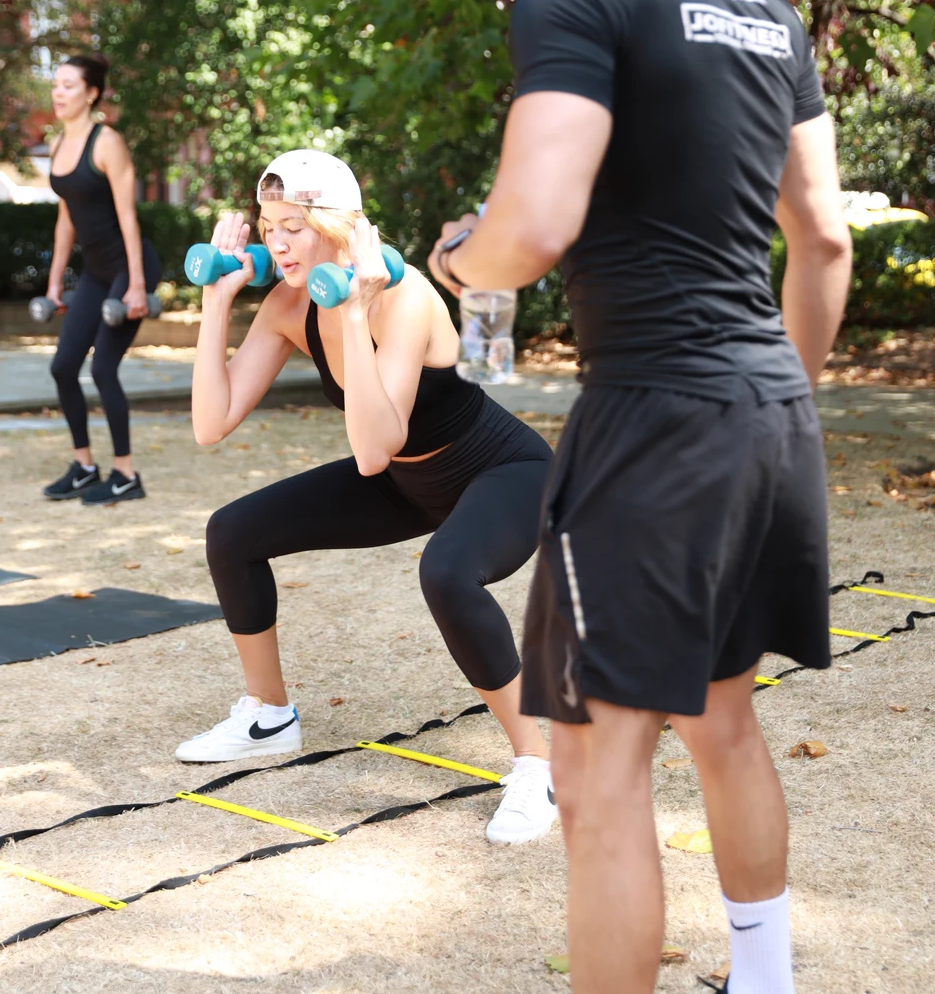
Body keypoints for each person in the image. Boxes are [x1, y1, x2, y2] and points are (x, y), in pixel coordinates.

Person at [424, 0, 852, 994]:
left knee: (596, 771)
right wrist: (775, 397)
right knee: (720, 716)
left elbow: (536, 221)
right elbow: (822, 237)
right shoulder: (761, 0)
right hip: (763, 408)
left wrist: (459, 261)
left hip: (657, 417)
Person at [179, 148, 558, 845]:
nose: (278, 244)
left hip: (503, 472)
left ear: (339, 229)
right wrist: (215, 302)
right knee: (232, 532)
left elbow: (374, 447)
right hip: (405, 482)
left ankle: (537, 764)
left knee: (447, 572)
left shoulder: (406, 297)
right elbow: (210, 424)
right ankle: (268, 715)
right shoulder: (288, 305)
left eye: (294, 227)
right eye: (268, 228)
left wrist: (354, 315)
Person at [41, 53, 160, 506]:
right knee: (62, 367)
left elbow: (129, 218)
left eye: (68, 85)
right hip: (95, 274)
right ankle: (84, 467)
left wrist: (136, 285)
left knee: (103, 368)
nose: (58, 92)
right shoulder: (58, 144)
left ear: (91, 94)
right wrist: (54, 284)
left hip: (129, 269)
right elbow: (65, 220)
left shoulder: (107, 142)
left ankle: (125, 474)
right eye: (56, 84)